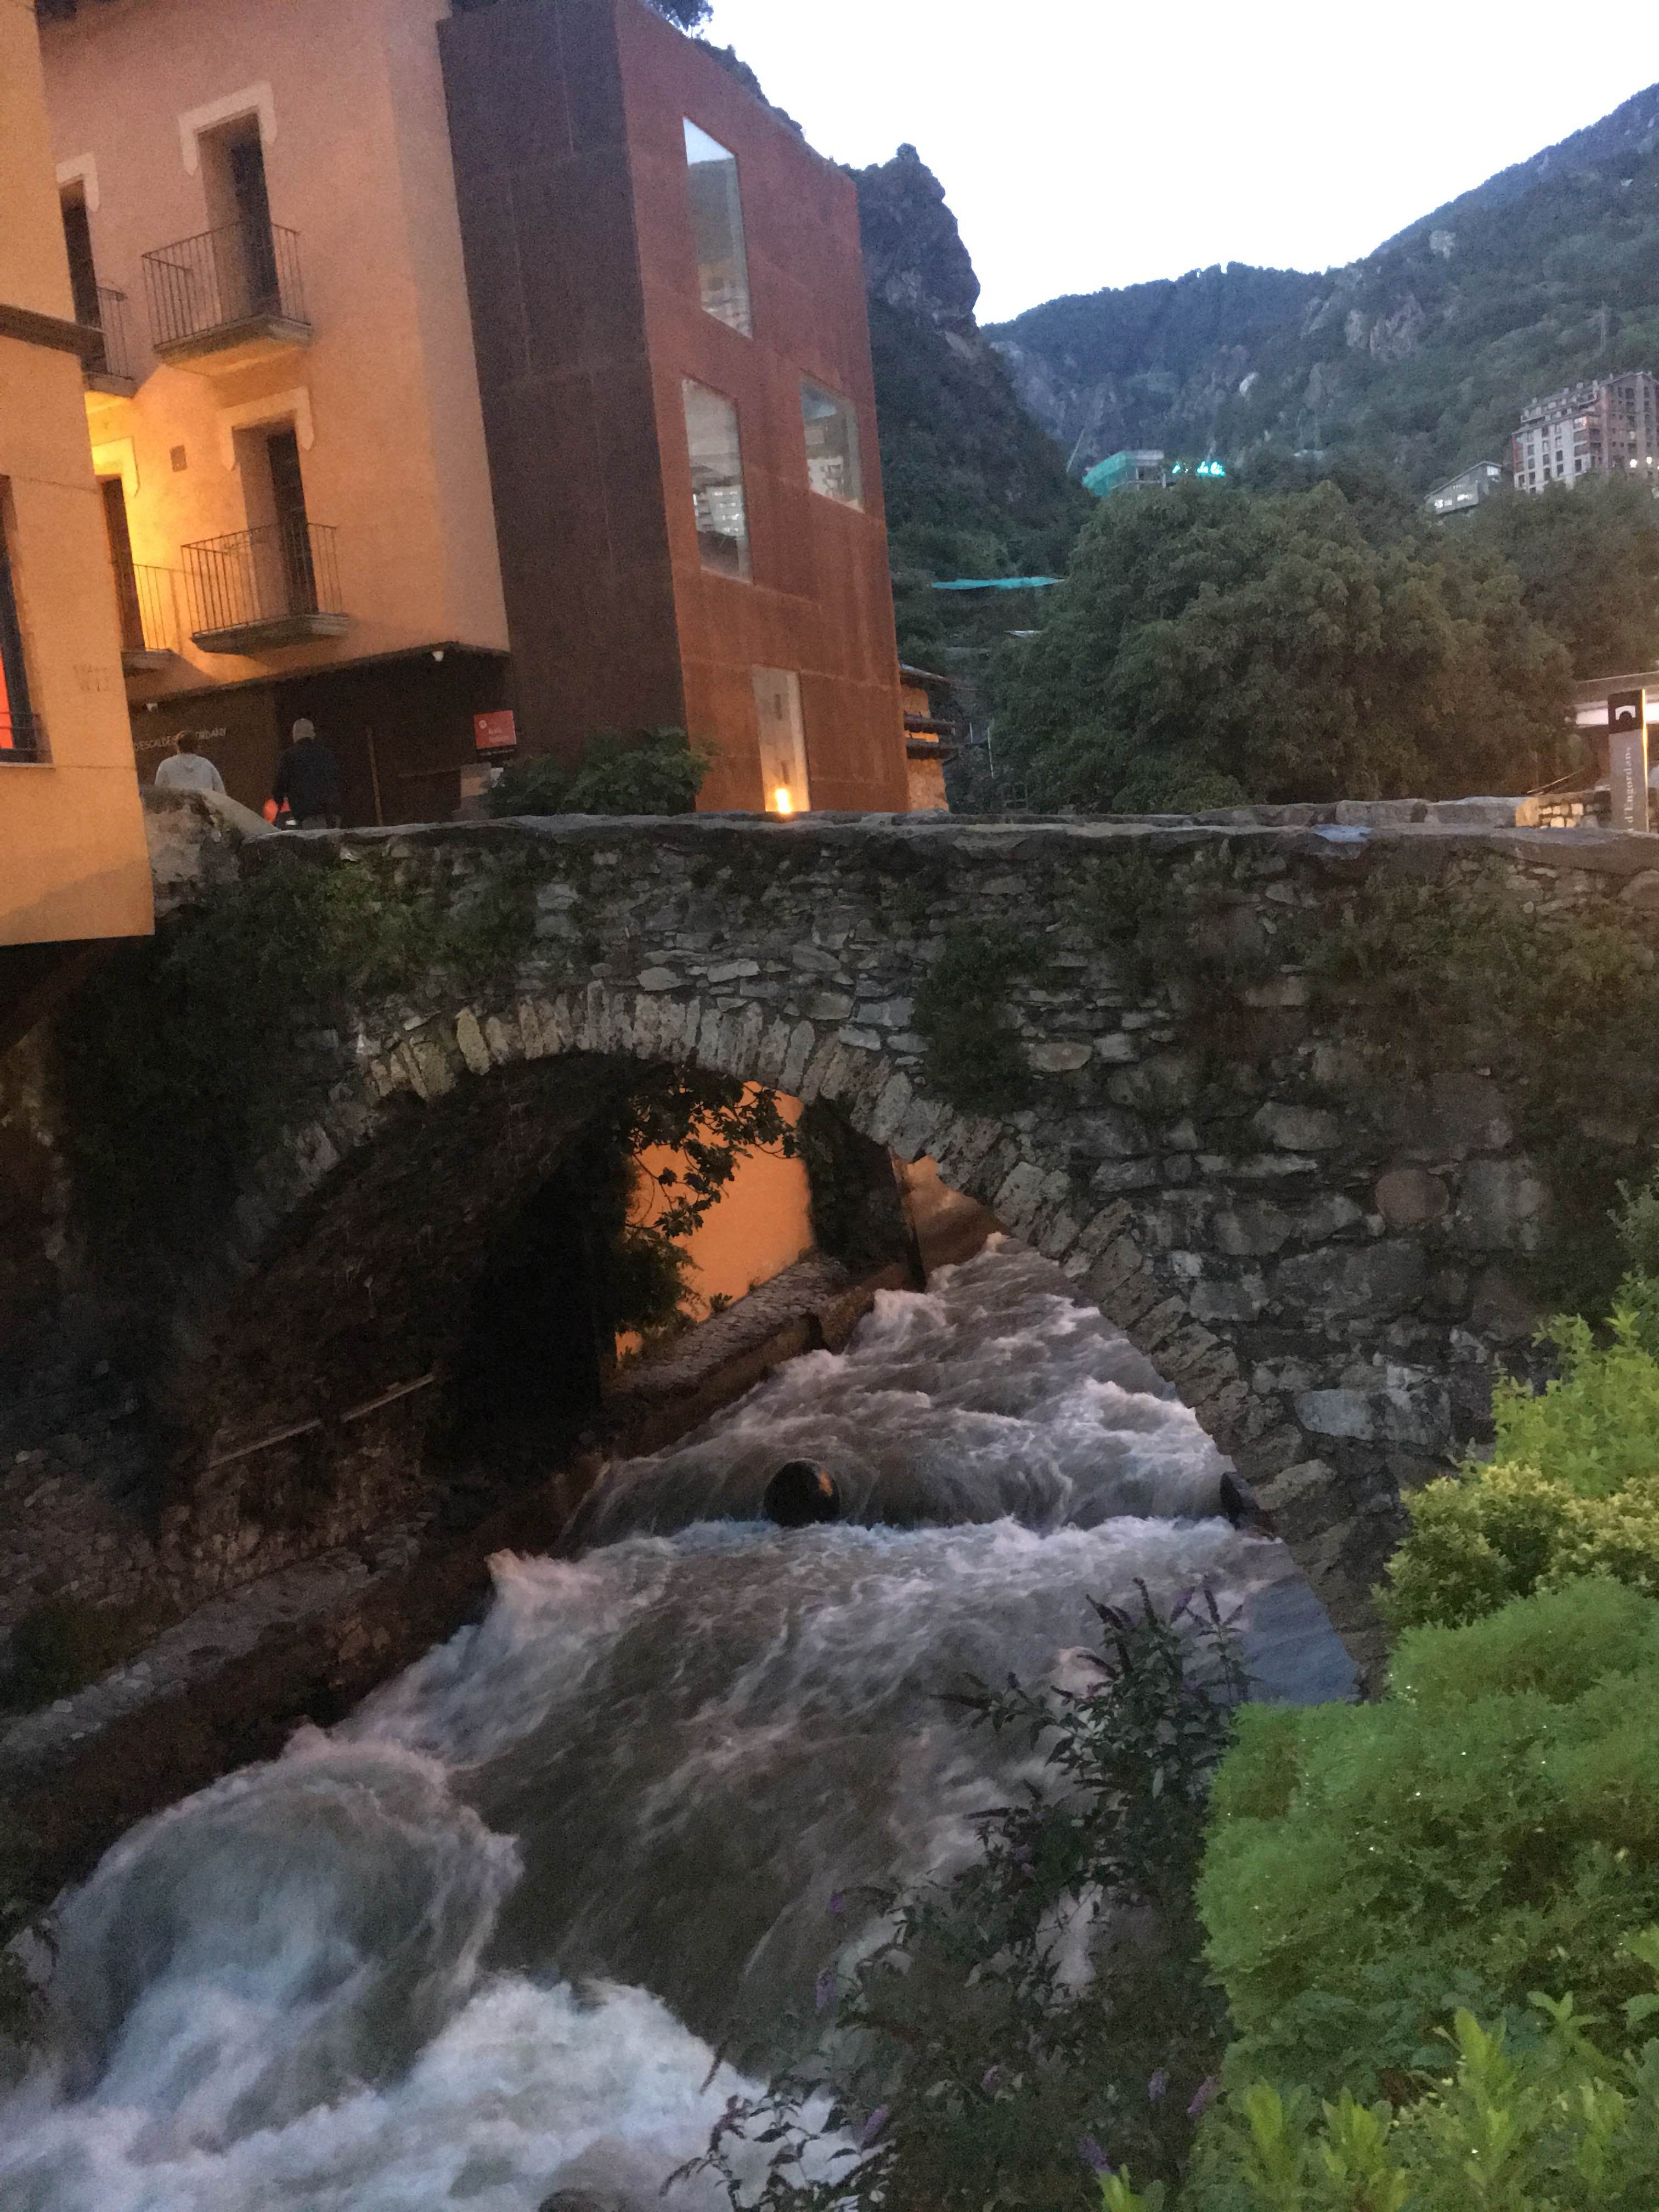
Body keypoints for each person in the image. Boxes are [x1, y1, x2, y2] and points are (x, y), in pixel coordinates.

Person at [272, 716, 342, 829]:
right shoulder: (326, 753)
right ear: (312, 733)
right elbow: (337, 778)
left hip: (308, 813)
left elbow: (280, 785)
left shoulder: (290, 757)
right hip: (332, 812)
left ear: (295, 734)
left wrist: (279, 800)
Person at [152, 732, 225, 796]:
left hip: (176, 810)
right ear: (196, 746)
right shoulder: (207, 765)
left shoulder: (165, 765)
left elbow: (158, 794)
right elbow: (221, 793)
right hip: (204, 809)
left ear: (177, 746)